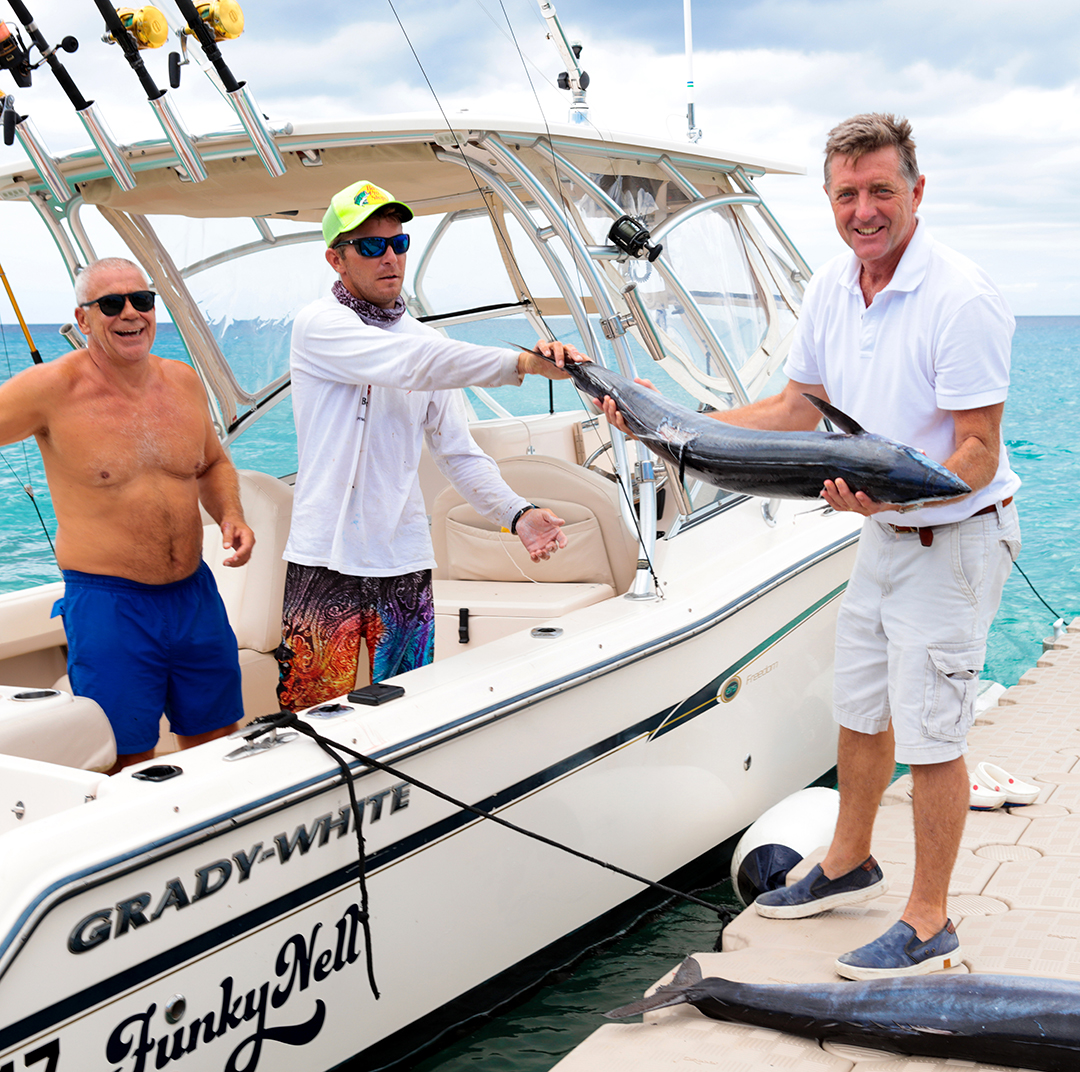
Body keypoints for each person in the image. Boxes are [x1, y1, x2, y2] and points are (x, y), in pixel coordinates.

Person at [602, 114, 1020, 979]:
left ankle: (931, 918)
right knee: (860, 707)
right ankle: (847, 861)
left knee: (934, 735)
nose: (864, 210)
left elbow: (975, 451)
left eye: (881, 191)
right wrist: (672, 424)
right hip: (881, 532)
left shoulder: (962, 297)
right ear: (830, 199)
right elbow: (797, 410)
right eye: (846, 195)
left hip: (952, 535)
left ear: (916, 190)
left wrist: (898, 494)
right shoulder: (834, 285)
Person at [277, 179, 580, 710]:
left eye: (398, 243)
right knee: (312, 720)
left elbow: (458, 452)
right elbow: (410, 363)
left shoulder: (428, 341)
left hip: (403, 563)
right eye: (370, 246)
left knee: (408, 710)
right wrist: (523, 363)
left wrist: (519, 514)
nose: (389, 256)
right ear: (336, 259)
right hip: (324, 561)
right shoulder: (318, 325)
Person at [0, 257, 254, 773]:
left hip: (194, 596)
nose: (130, 314)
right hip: (109, 605)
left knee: (217, 741)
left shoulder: (182, 382)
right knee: (125, 755)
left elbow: (212, 464)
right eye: (111, 304)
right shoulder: (49, 389)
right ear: (83, 317)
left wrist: (231, 514)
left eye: (142, 300)